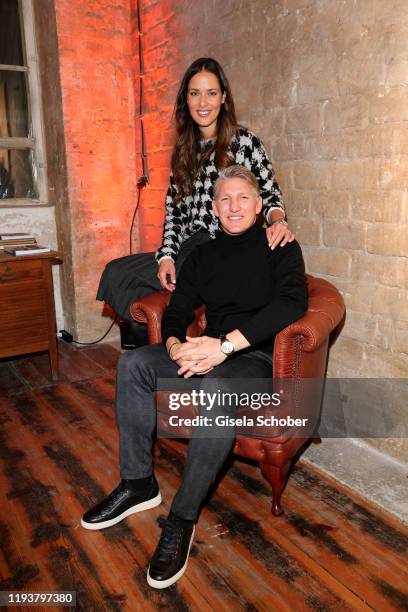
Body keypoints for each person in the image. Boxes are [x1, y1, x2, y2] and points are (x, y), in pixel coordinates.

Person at [82, 166, 307, 589]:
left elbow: (291, 306)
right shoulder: (203, 255)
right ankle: (137, 484)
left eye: (243, 198)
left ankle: (182, 518)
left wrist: (222, 347)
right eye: (225, 199)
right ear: (214, 207)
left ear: (260, 206)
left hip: (252, 360)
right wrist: (174, 347)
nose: (234, 206)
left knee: (218, 386)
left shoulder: (281, 247)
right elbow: (179, 309)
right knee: (133, 364)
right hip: (205, 352)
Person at [97, 57, 295, 322]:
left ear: (223, 97)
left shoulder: (245, 142)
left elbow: (269, 194)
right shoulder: (183, 150)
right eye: (195, 94)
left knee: (188, 278)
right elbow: (174, 212)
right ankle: (175, 324)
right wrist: (167, 256)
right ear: (186, 100)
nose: (203, 103)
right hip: (189, 248)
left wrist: (278, 222)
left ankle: (189, 308)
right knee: (116, 274)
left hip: (226, 246)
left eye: (211, 93)